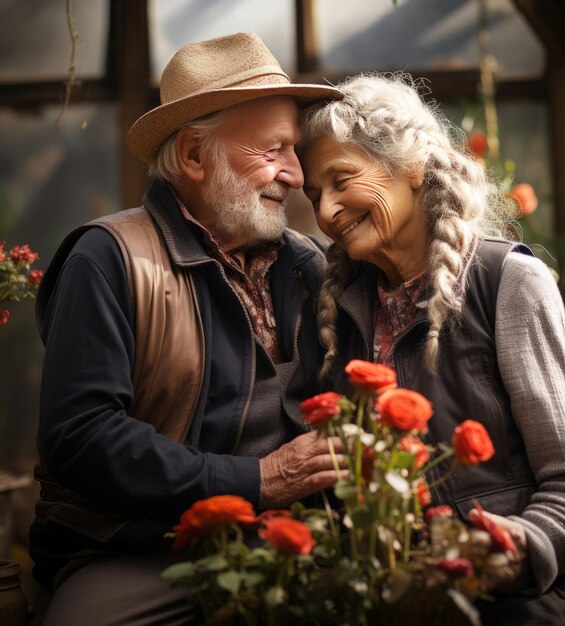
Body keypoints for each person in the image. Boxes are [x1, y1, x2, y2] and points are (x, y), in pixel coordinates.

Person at [30, 32, 346, 625]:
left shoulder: (308, 264)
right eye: (273, 150)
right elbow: (81, 435)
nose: (297, 175)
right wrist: (257, 480)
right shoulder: (109, 257)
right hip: (142, 548)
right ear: (196, 155)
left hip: (295, 535)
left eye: (295, 150)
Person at [298, 73, 565, 625]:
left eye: (341, 179)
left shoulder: (507, 282)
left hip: (519, 608)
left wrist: (514, 548)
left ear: (411, 165)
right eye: (314, 195)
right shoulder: (338, 311)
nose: (324, 213)